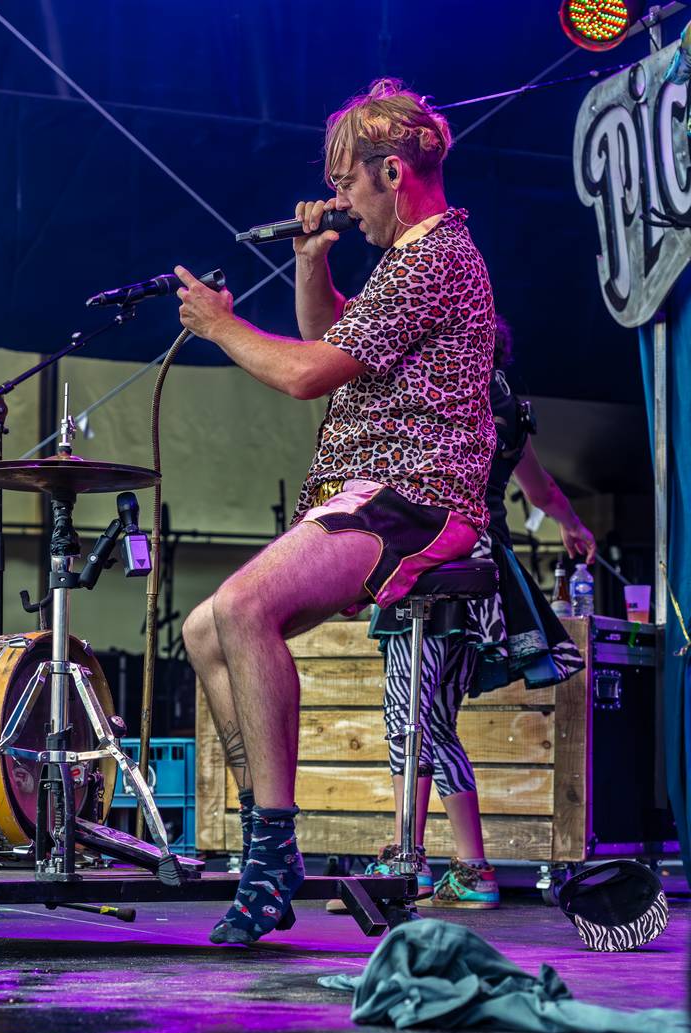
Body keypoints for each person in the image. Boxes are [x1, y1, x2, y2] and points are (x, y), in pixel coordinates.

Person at [176, 78, 497, 944]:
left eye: (348, 182)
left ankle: (270, 851)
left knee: (243, 606)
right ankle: (267, 831)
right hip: (367, 494)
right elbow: (331, 336)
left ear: (391, 172)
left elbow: (305, 374)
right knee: (205, 631)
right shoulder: (409, 260)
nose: (342, 201)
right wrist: (311, 260)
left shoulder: (434, 257)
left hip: (413, 496)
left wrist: (219, 326)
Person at [328, 316, 596, 914]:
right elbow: (542, 490)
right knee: (430, 718)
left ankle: (417, 864)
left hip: (433, 565)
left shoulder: (445, 403)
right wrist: (573, 525)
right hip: (482, 576)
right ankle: (447, 865)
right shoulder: (508, 407)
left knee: (410, 717)